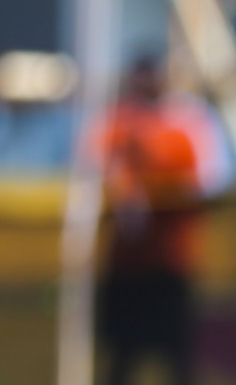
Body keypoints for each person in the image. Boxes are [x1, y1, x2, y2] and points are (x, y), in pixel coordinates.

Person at [95, 55, 230, 385]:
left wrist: (159, 175)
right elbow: (94, 173)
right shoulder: (115, 124)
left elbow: (212, 179)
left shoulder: (186, 124)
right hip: (125, 266)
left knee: (178, 358)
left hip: (170, 263)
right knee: (120, 359)